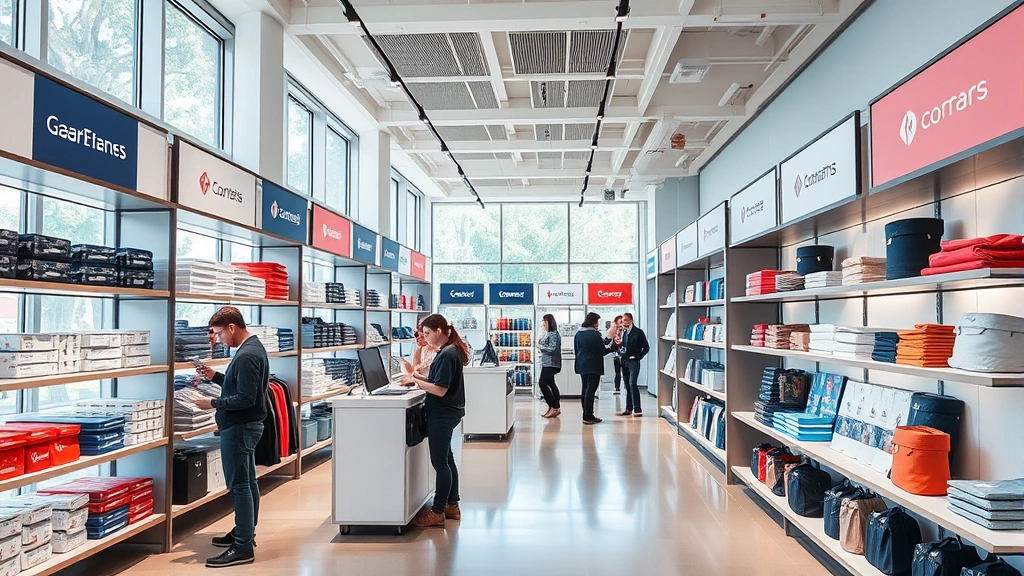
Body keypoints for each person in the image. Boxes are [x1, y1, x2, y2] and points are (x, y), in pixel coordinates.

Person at [193, 306, 269, 568]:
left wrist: (212, 403)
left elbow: (245, 398)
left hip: (239, 426)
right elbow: (241, 385)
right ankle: (244, 533)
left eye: (218, 334)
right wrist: (216, 377)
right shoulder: (253, 348)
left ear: (231, 328)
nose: (219, 340)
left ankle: (243, 546)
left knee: (239, 486)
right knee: (248, 482)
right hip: (245, 425)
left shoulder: (247, 355)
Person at [401, 314, 468, 528]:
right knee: (447, 460)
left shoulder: (448, 354)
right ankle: (452, 505)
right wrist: (417, 378)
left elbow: (440, 389)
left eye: (427, 334)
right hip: (449, 412)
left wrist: (418, 384)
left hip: (443, 414)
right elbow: (437, 380)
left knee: (440, 464)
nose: (425, 338)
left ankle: (437, 511)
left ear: (438, 330)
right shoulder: (448, 351)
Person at [574, 312, 616, 425]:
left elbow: (576, 350)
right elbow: (602, 351)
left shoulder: (578, 334)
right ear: (594, 322)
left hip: (582, 365)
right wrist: (611, 348)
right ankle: (588, 416)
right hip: (593, 365)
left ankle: (585, 414)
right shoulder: (594, 334)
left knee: (585, 389)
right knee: (591, 390)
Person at [614, 312, 650, 417]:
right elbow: (621, 347)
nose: (623, 323)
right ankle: (628, 408)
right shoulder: (622, 332)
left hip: (633, 362)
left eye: (625, 320)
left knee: (632, 383)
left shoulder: (638, 332)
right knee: (627, 385)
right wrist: (619, 347)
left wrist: (638, 357)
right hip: (624, 361)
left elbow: (646, 347)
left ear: (631, 320)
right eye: (622, 321)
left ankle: (637, 408)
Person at [536, 314, 562, 418]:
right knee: (551, 383)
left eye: (545, 321)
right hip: (547, 362)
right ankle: (554, 407)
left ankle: (553, 406)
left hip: (551, 363)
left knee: (542, 383)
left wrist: (541, 347)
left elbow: (553, 349)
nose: (543, 324)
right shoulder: (548, 333)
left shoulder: (554, 334)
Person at [605, 316, 624, 394]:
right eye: (619, 322)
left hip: (624, 355)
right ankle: (617, 386)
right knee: (617, 372)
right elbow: (608, 343)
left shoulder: (626, 332)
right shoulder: (613, 332)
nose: (621, 325)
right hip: (616, 355)